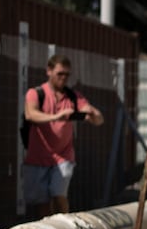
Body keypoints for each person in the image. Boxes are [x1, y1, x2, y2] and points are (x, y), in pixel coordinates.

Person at [22, 54, 103, 216]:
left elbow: (99, 120)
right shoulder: (36, 93)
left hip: (63, 156)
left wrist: (92, 113)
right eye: (60, 74)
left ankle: (64, 225)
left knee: (58, 194)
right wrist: (56, 116)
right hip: (38, 157)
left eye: (67, 75)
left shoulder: (73, 96)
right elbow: (30, 114)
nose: (63, 78)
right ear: (49, 71)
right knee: (42, 202)